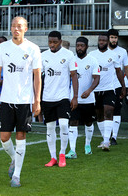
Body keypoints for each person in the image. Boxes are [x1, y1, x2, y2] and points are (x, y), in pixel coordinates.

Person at [0, 16, 42, 187]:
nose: (16, 29)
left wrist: (37, 100)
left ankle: (17, 176)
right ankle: (14, 158)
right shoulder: (2, 48)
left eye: (19, 26)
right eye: (13, 26)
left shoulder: (33, 49)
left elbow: (37, 76)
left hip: (24, 101)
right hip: (6, 100)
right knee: (4, 137)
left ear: (25, 29)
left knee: (21, 136)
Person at [42, 31, 78, 167]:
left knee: (63, 125)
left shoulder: (68, 55)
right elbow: (38, 77)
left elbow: (74, 76)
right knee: (50, 128)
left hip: (63, 97)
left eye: (55, 42)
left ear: (60, 42)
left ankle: (62, 154)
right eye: (50, 42)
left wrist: (74, 96)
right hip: (47, 97)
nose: (52, 44)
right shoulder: (43, 56)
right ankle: (53, 157)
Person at [89, 33, 126, 151]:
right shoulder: (92, 55)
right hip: (96, 90)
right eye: (100, 40)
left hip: (109, 88)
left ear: (107, 42)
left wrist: (123, 86)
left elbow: (119, 72)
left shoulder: (114, 55)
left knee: (109, 112)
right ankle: (104, 137)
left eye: (104, 40)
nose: (101, 42)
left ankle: (106, 142)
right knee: (99, 115)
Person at [65, 37, 100, 159]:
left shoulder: (93, 60)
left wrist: (89, 91)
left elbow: (96, 78)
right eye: (77, 45)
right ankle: (72, 150)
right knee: (73, 122)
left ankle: (87, 145)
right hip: (73, 99)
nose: (79, 47)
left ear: (87, 47)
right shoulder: (71, 60)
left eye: (82, 45)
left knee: (88, 122)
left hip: (88, 99)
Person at [107, 29, 128, 145]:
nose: (114, 40)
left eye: (115, 38)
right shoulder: (102, 51)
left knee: (117, 110)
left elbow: (126, 69)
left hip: (118, 85)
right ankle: (106, 135)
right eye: (112, 37)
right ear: (108, 38)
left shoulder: (122, 52)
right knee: (105, 111)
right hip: (104, 86)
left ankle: (114, 137)